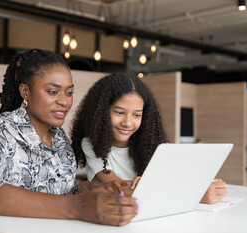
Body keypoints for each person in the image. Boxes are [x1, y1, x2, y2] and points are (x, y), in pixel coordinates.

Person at [0, 49, 138, 226]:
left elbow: (59, 189)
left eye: (69, 93)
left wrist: (89, 189)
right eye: (53, 92)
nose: (65, 102)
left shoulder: (60, 140)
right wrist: (79, 205)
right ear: (25, 91)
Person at [71, 72, 227, 204]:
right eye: (119, 112)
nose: (127, 123)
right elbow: (119, 187)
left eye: (137, 115)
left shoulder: (149, 144)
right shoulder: (91, 144)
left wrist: (200, 185)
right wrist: (195, 194)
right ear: (100, 113)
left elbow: (169, 180)